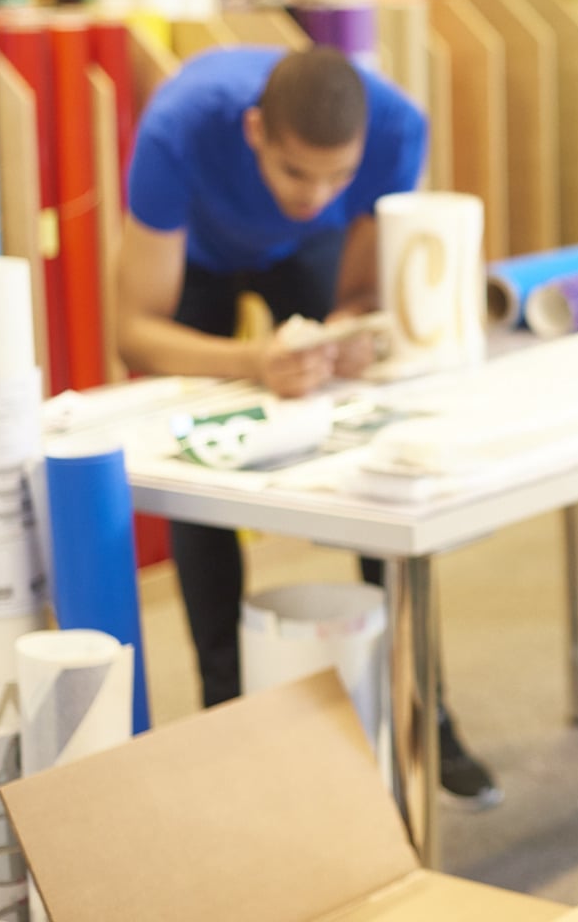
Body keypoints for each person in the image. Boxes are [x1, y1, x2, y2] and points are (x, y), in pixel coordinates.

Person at [116, 43, 500, 808]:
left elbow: (355, 297)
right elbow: (134, 331)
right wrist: (256, 360)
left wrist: (343, 338)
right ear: (255, 130)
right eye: (297, 173)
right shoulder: (175, 135)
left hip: (303, 260)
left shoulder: (396, 128)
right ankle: (226, 710)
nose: (316, 191)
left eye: (337, 177)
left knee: (370, 448)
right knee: (200, 465)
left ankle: (426, 709)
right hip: (198, 258)